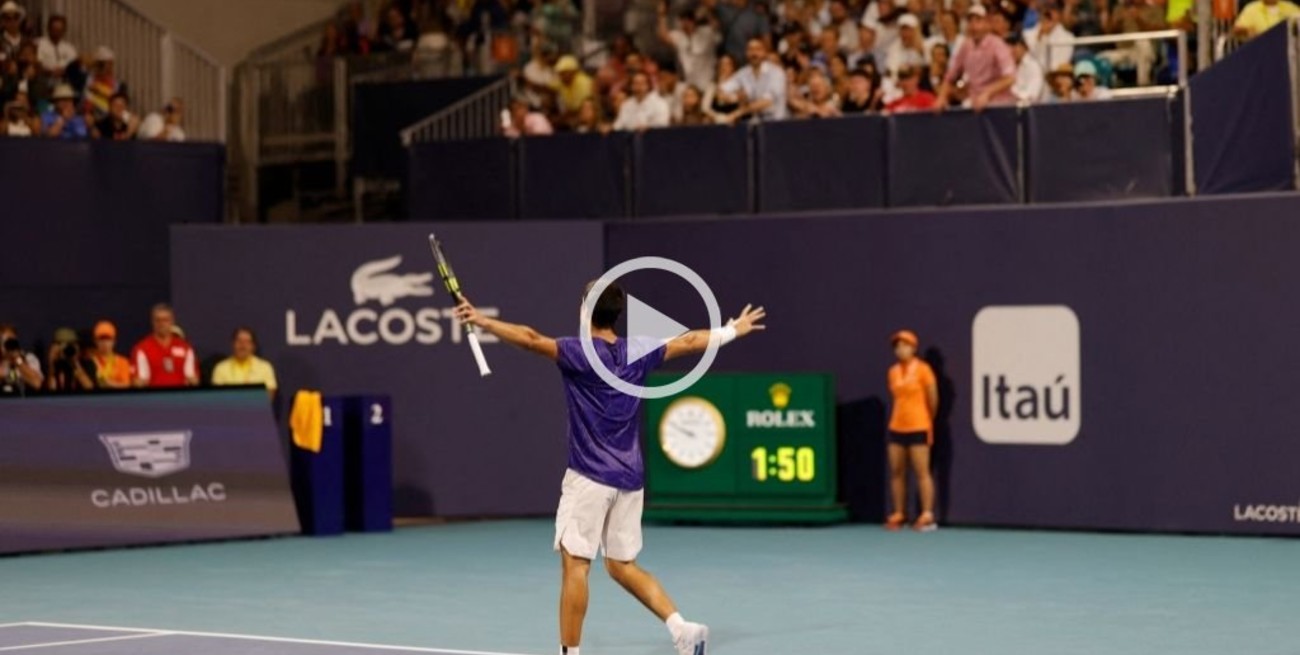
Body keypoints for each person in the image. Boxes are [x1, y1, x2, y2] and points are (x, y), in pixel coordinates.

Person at [452, 282, 767, 655]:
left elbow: (532, 340)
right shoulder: (639, 351)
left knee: (576, 565)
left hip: (589, 477)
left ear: (585, 311)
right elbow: (689, 342)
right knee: (621, 565)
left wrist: (483, 321)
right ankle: (683, 629)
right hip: (630, 480)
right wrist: (733, 330)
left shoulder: (578, 353)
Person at [885, 329, 938, 532]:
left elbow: (933, 400)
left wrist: (926, 419)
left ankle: (927, 514)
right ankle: (899, 512)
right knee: (897, 472)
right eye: (897, 346)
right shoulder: (892, 372)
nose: (900, 349)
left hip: (919, 425)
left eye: (905, 345)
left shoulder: (924, 370)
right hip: (896, 426)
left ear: (914, 348)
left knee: (922, 472)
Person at [935, 4, 1016, 111]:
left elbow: (1010, 78)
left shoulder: (998, 45)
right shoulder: (966, 46)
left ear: (987, 23)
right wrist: (942, 96)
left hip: (999, 106)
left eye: (978, 20)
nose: (974, 26)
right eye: (970, 21)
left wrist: (987, 93)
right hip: (975, 104)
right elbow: (950, 76)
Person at [718, 37, 788, 121]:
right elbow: (722, 91)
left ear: (764, 52)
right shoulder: (742, 73)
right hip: (755, 123)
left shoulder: (776, 73)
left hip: (776, 122)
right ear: (746, 53)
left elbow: (767, 101)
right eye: (750, 49)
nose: (754, 53)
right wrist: (735, 97)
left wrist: (738, 112)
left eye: (758, 49)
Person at [132, 303, 199, 388]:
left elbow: (194, 379)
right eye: (158, 320)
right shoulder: (142, 349)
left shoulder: (185, 348)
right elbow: (137, 381)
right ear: (152, 322)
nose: (161, 324)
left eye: (165, 320)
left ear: (172, 321)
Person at [212, 327, 278, 398]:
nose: (242, 345)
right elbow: (217, 396)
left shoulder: (265, 367)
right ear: (233, 344)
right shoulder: (221, 368)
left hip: (255, 405)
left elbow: (269, 395)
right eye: (239, 341)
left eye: (247, 342)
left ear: (253, 346)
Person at [85, 320, 131, 389]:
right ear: (95, 341)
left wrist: (108, 383)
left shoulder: (123, 362)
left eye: (108, 339)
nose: (105, 343)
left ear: (114, 341)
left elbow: (127, 386)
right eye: (101, 339)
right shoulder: (90, 361)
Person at [0, 323, 43, 395]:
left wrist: (18, 361)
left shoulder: (28, 358)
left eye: (11, 341)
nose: (8, 345)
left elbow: (37, 383)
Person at [45, 327, 92, 392]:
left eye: (72, 344)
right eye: (60, 344)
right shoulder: (52, 367)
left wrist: (75, 362)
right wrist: (52, 362)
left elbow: (90, 389)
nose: (67, 348)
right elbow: (50, 392)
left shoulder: (87, 365)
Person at [36, 14, 76, 79]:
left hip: (65, 79)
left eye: (59, 30)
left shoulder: (69, 48)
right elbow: (36, 65)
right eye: (54, 29)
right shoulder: (39, 44)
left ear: (64, 31)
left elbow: (74, 65)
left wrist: (64, 71)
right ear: (48, 28)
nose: (57, 32)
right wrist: (50, 72)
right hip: (44, 79)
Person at [1234, 0, 1300, 39]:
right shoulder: (1250, 9)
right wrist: (1246, 31)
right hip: (1259, 51)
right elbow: (1236, 31)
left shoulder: (1292, 8)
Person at [1008, 34, 1044, 104]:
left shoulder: (1033, 66)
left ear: (1024, 47)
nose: (1011, 50)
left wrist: (1012, 95)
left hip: (1029, 107)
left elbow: (1033, 94)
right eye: (1009, 47)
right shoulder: (1007, 67)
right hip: (1008, 105)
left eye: (1014, 46)